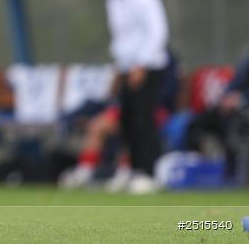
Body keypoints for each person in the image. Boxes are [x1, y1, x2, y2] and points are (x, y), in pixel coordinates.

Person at [59, 50, 179, 191]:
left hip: (155, 111)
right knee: (99, 125)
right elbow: (116, 93)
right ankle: (85, 172)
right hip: (128, 109)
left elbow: (167, 95)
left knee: (135, 125)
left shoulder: (162, 60)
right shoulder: (129, 57)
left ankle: (128, 172)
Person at [103, 0, 169, 194]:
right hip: (126, 68)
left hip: (148, 67)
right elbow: (121, 38)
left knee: (144, 120)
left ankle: (148, 173)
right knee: (126, 121)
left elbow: (157, 31)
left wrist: (141, 64)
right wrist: (120, 68)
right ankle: (131, 169)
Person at [185, 52, 249, 180]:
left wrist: (244, 98)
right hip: (238, 109)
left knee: (234, 126)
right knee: (196, 124)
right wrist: (229, 96)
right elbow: (237, 81)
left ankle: (233, 173)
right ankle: (198, 168)